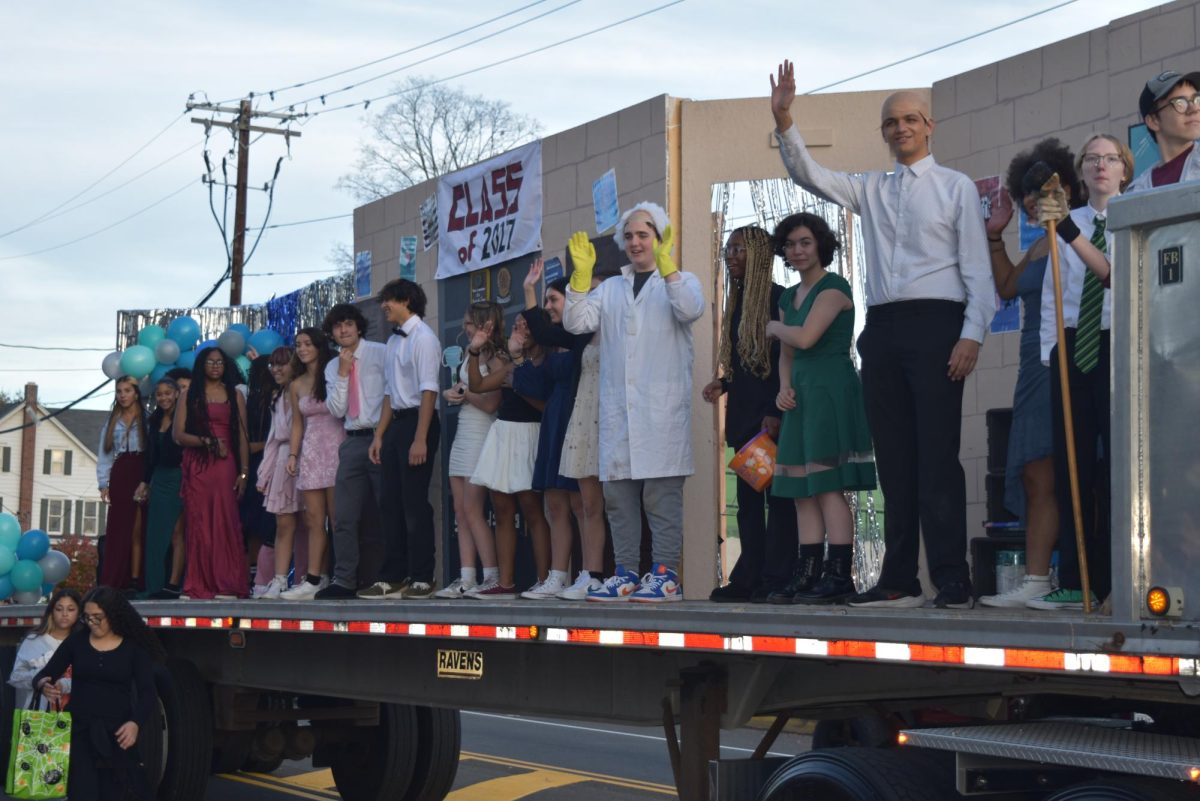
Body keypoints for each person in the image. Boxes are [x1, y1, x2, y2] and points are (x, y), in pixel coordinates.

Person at [770, 60, 992, 609]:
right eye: (891, 122)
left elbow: (977, 271)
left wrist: (972, 334)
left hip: (939, 326)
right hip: (884, 329)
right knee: (894, 458)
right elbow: (811, 177)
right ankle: (899, 579)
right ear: (884, 132)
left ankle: (951, 577)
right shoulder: (871, 188)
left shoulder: (954, 187)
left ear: (929, 126)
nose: (901, 129)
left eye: (911, 119)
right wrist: (785, 120)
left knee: (936, 455)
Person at [563, 201, 705, 602]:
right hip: (618, 412)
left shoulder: (681, 281)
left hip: (660, 414)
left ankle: (666, 576)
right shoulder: (610, 288)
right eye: (629, 236)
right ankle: (625, 572)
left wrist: (668, 267)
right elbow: (576, 323)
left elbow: (690, 308)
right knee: (619, 500)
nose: (635, 242)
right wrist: (580, 279)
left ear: (661, 239)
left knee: (661, 499)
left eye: (644, 234)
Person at [1028, 133, 1133, 611]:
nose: (1100, 167)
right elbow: (1057, 292)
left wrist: (1066, 224)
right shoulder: (1062, 224)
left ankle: (1117, 579)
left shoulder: (1134, 216)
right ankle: (1076, 578)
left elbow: (1113, 274)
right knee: (1073, 466)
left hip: (1118, 341)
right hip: (1073, 344)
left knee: (1116, 467)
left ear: (1124, 170)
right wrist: (1052, 352)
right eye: (1091, 159)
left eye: (1110, 159)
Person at [977, 139, 1081, 607]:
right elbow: (1006, 286)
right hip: (1032, 369)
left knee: (1078, 471)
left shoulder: (1080, 234)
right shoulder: (1041, 243)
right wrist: (995, 236)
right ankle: (1037, 579)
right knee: (1036, 475)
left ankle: (1082, 577)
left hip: (1071, 362)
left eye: (1039, 191)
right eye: (1026, 195)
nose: (1031, 202)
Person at [764, 213, 877, 604]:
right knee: (800, 488)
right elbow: (788, 354)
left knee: (828, 486)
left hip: (831, 387)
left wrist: (774, 328)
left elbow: (805, 337)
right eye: (791, 244)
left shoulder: (834, 287)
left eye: (805, 243)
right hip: (802, 392)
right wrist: (783, 388)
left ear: (820, 245)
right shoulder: (786, 296)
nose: (797, 250)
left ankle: (838, 574)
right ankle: (808, 571)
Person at [704, 225, 798, 603]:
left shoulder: (778, 300)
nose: (731, 256)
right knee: (747, 504)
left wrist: (774, 413)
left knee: (777, 502)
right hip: (744, 420)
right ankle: (749, 577)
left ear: (759, 254)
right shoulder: (738, 302)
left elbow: (781, 364)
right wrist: (724, 384)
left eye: (739, 249)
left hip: (769, 420)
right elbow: (748, 363)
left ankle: (777, 576)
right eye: (729, 250)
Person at [35, 586, 163, 801]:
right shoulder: (76, 642)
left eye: (98, 617)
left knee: (117, 792)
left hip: (118, 735)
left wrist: (135, 723)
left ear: (114, 615)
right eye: (87, 617)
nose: (92, 623)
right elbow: (46, 674)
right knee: (83, 791)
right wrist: (43, 684)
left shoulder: (134, 648)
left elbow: (148, 693)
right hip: (79, 731)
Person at [513, 261, 592, 600]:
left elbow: (545, 331)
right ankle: (557, 577)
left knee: (581, 505)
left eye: (553, 300)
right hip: (554, 421)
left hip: (578, 417)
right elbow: (530, 383)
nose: (548, 307)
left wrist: (530, 291)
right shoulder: (550, 343)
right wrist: (518, 357)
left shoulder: (579, 335)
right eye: (545, 300)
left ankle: (588, 574)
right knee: (555, 506)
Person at [361, 280, 442, 600]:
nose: (384, 306)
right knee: (389, 502)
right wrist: (379, 435)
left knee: (414, 503)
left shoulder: (424, 338)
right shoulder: (394, 342)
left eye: (389, 300)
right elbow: (387, 393)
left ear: (406, 300)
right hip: (396, 423)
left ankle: (423, 576)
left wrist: (420, 438)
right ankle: (393, 575)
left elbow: (429, 391)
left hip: (418, 423)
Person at [464, 314, 552, 599]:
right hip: (503, 436)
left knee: (532, 511)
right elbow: (477, 386)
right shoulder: (510, 363)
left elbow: (543, 405)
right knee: (502, 511)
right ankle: (506, 582)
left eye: (526, 324)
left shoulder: (542, 362)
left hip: (529, 435)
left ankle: (544, 580)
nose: (520, 328)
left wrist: (519, 379)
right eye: (516, 324)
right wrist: (475, 350)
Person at [314, 304, 389, 600]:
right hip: (353, 439)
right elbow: (337, 409)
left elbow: (392, 395)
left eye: (348, 324)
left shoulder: (381, 352)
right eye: (337, 326)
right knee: (343, 515)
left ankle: (388, 577)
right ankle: (344, 580)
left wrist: (382, 435)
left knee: (385, 512)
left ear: (358, 327)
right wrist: (344, 373)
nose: (343, 330)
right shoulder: (333, 366)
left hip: (381, 435)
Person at [436, 301, 503, 600]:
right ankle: (466, 577)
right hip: (463, 432)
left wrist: (464, 395)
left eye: (470, 323)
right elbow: (464, 391)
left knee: (475, 510)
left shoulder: (498, 357)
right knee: (460, 512)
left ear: (486, 325)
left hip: (482, 433)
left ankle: (492, 575)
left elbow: (490, 403)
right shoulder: (468, 354)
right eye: (464, 322)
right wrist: (452, 394)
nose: (465, 328)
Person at [555, 262, 613, 601]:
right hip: (583, 415)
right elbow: (552, 329)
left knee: (613, 504)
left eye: (597, 290)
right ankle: (589, 573)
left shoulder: (619, 332)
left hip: (608, 417)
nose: (592, 296)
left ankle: (608, 572)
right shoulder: (580, 334)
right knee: (587, 503)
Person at [174, 346, 251, 600]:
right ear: (201, 365)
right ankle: (198, 584)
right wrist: (206, 442)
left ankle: (227, 583)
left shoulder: (234, 395)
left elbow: (241, 435)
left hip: (226, 464)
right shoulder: (188, 395)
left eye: (220, 362)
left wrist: (244, 472)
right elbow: (178, 435)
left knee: (224, 520)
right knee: (198, 522)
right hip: (198, 463)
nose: (216, 366)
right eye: (210, 362)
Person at [281, 328, 344, 600]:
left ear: (319, 346)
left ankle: (340, 576)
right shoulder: (295, 384)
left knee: (339, 519)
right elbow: (297, 424)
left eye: (307, 344)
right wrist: (293, 455)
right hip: (311, 451)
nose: (302, 349)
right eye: (298, 345)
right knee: (314, 520)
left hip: (338, 447)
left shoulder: (334, 373)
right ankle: (314, 579)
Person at [255, 346, 308, 599]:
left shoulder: (303, 390)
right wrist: (264, 474)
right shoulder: (277, 396)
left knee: (310, 523)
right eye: (272, 365)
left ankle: (306, 578)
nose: (276, 369)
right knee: (283, 523)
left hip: (305, 456)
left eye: (282, 364)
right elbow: (273, 439)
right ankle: (279, 580)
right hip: (282, 461)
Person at [97, 375, 147, 594]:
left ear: (136, 393)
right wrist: (103, 483)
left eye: (127, 390)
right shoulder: (112, 420)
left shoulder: (147, 418)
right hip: (120, 472)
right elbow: (104, 453)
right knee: (117, 528)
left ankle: (135, 578)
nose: (123, 395)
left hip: (141, 469)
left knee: (138, 526)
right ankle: (113, 579)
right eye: (119, 391)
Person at [135, 377, 184, 598]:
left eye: (167, 393)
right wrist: (145, 482)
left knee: (176, 532)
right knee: (155, 535)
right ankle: (153, 586)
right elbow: (150, 455)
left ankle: (173, 584)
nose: (163, 397)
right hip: (159, 478)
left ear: (176, 394)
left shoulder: (185, 418)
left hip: (180, 477)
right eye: (160, 394)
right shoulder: (154, 420)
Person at [1127, 69, 1200, 193]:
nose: (1194, 108)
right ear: (1154, 121)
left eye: (1197, 100)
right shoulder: (1136, 191)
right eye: (1180, 103)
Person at [9, 588, 81, 711]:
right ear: (51, 611)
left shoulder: (84, 642)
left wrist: (65, 684)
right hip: (39, 715)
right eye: (59, 609)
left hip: (77, 713)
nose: (64, 614)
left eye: (71, 609)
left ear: (79, 612)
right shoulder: (33, 640)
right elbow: (16, 677)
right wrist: (38, 680)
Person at [240, 355, 276, 580]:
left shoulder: (248, 398)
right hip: (267, 461)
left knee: (251, 522)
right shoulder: (269, 398)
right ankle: (261, 575)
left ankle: (254, 574)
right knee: (264, 522)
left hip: (254, 461)